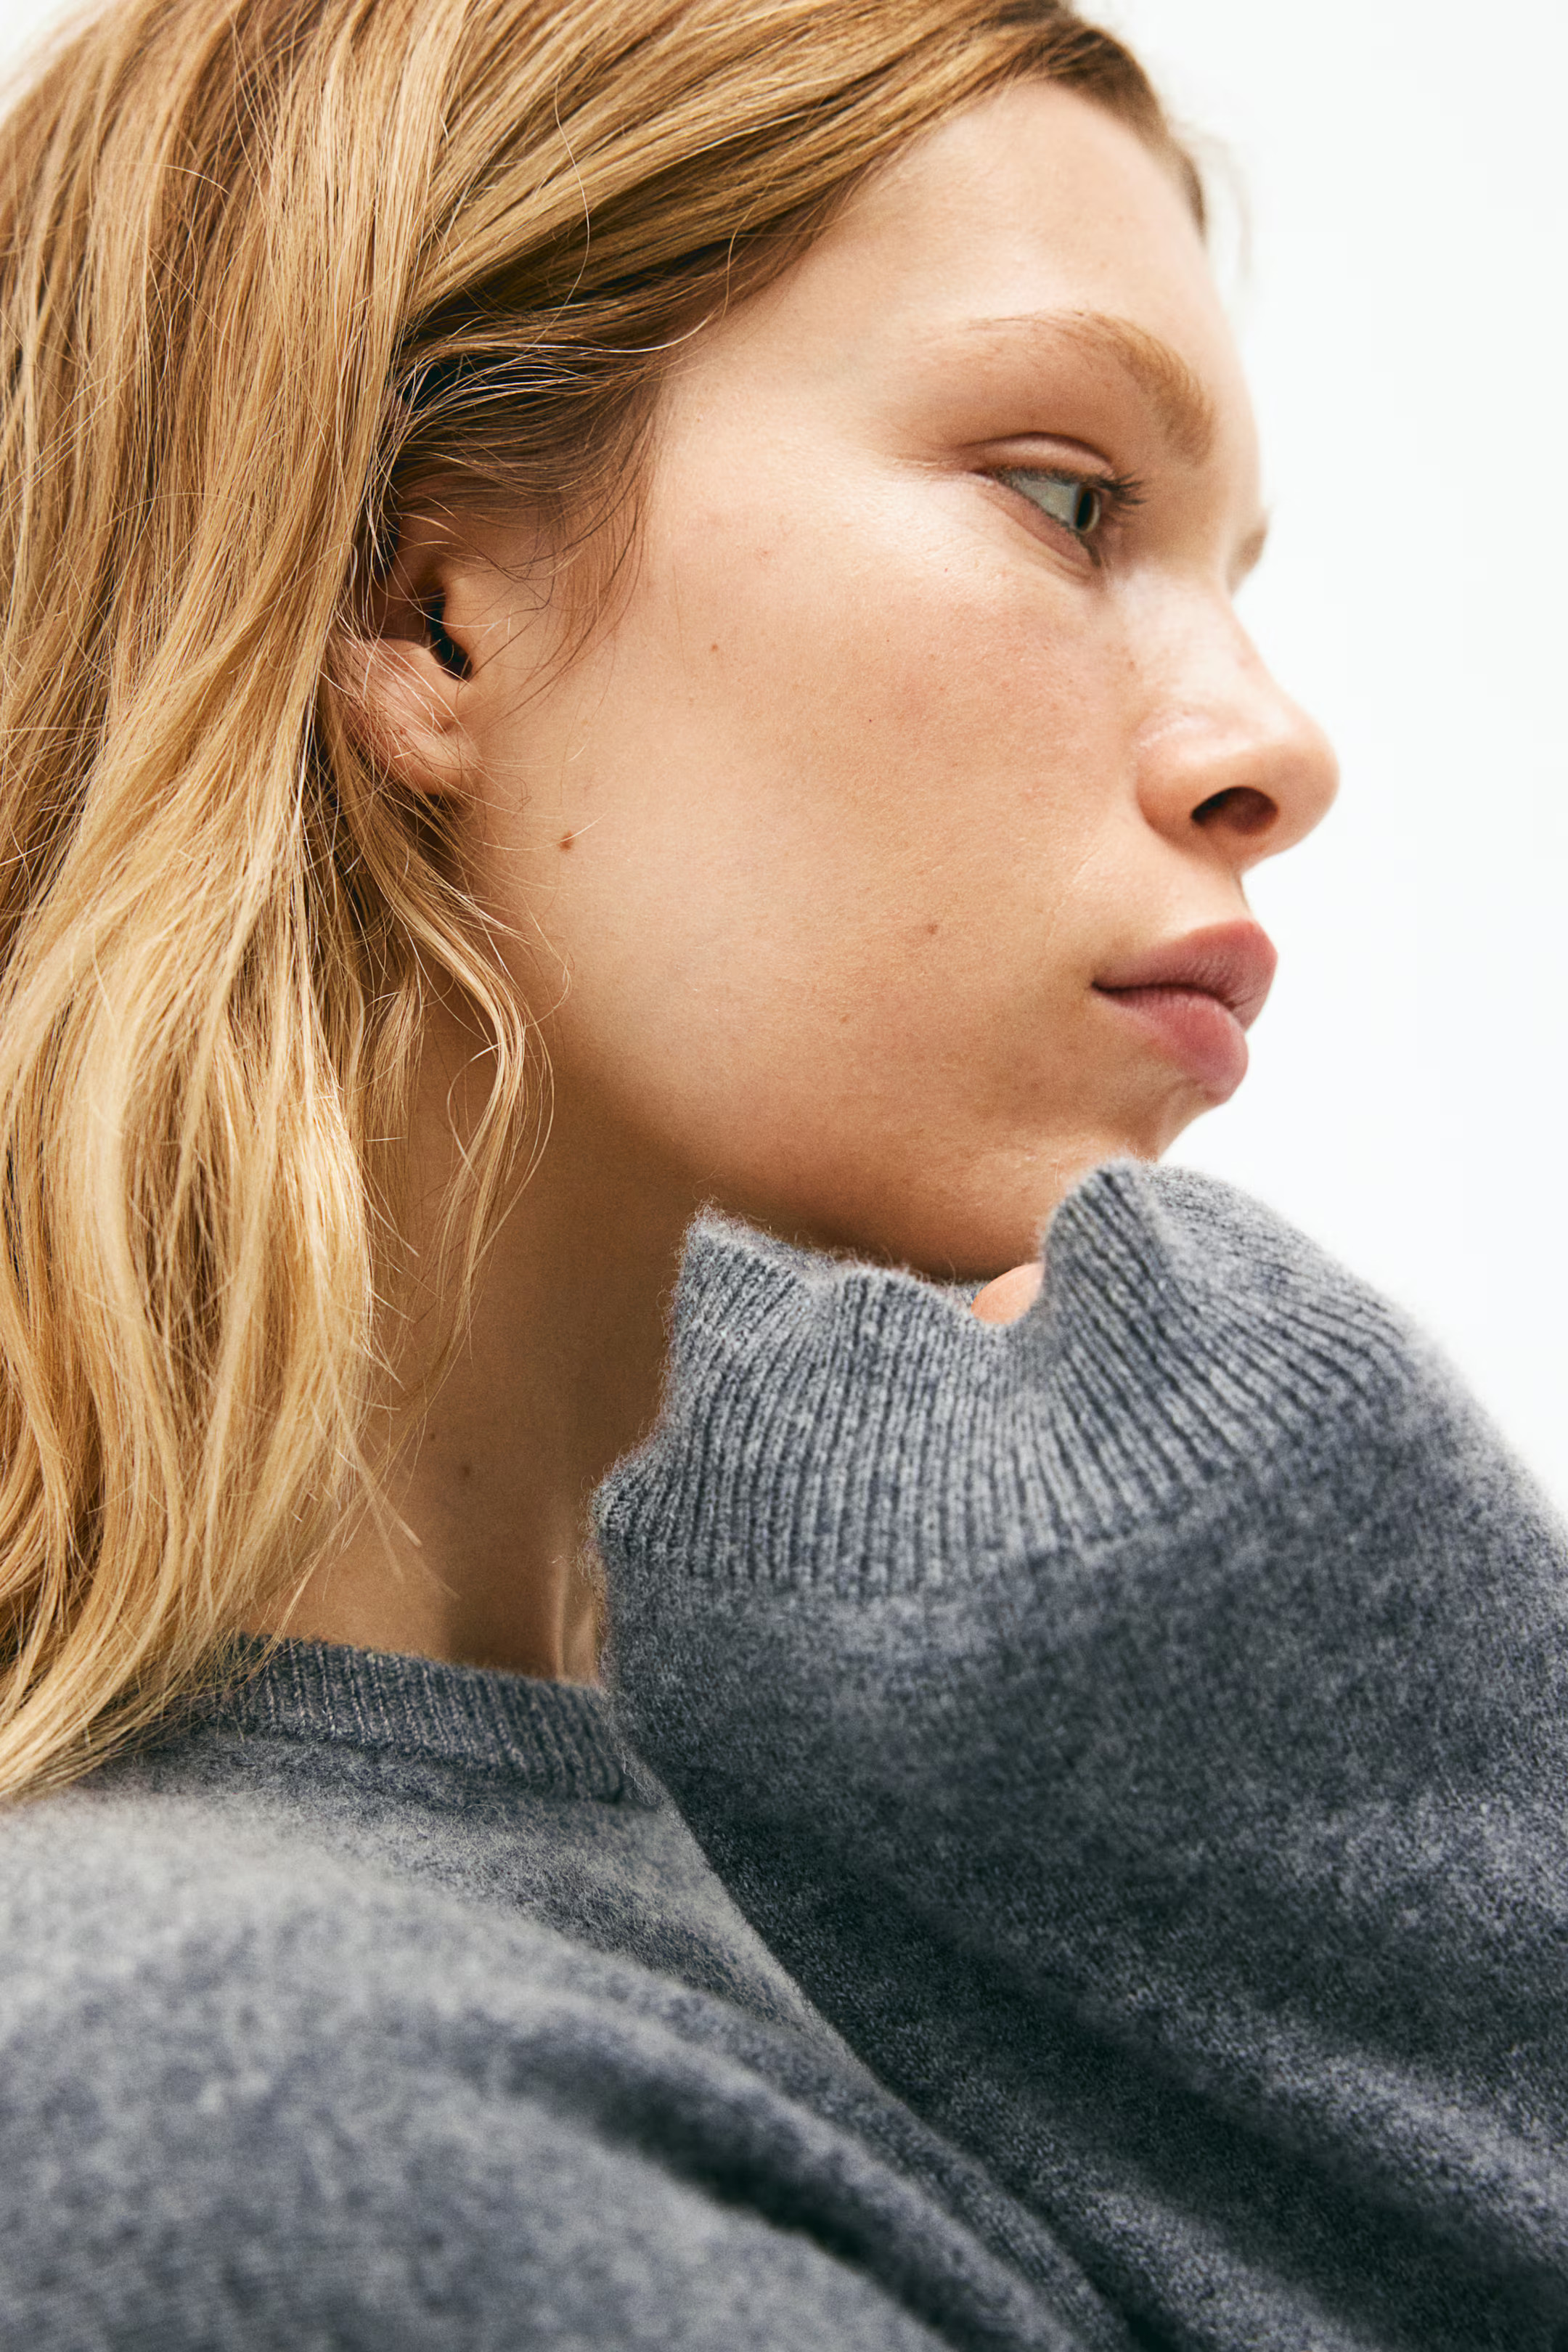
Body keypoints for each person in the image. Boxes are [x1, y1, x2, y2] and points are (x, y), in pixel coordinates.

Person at [1, 0, 1565, 2345]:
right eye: (1067, 497)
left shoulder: (850, 1927)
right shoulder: (253, 2114)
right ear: (426, 605)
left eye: (1237, 573)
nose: (1278, 744)